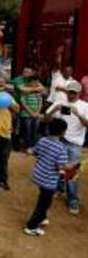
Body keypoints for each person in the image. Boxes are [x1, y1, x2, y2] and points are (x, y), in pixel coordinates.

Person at [46, 81, 88, 215]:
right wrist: (54, 110)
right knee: (57, 167)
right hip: (60, 140)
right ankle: (59, 189)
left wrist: (78, 114)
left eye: (74, 93)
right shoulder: (60, 104)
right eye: (70, 92)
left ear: (79, 93)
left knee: (72, 173)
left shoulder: (85, 106)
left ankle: (73, 200)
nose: (71, 95)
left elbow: (87, 124)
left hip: (75, 144)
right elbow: (46, 119)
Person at [24, 119, 70, 236]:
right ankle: (31, 227)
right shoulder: (61, 148)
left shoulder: (43, 140)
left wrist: (29, 151)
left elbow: (34, 151)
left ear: (49, 129)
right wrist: (69, 167)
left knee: (43, 199)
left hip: (39, 176)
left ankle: (42, 218)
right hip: (49, 181)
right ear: (64, 132)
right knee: (43, 204)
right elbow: (61, 166)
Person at [20, 76, 44, 154]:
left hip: (36, 114)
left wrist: (37, 112)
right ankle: (27, 147)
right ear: (29, 82)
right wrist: (31, 113)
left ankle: (34, 147)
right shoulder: (25, 90)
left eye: (36, 82)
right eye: (33, 82)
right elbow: (23, 103)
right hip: (27, 114)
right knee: (28, 131)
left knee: (35, 131)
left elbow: (40, 102)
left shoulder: (38, 91)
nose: (35, 84)